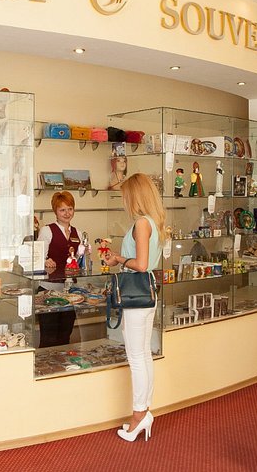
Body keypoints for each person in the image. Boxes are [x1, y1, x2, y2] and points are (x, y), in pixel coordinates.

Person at [102, 173, 164, 442]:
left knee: (136, 357)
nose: (123, 200)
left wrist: (119, 259)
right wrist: (120, 257)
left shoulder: (141, 223)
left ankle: (138, 415)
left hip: (136, 294)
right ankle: (144, 410)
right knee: (144, 355)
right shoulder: (153, 222)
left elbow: (140, 264)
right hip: (147, 292)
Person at [34, 190, 82, 347]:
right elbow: (37, 257)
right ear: (55, 211)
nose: (67, 213)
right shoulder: (47, 230)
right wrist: (45, 261)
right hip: (48, 289)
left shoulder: (77, 232)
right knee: (48, 336)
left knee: (65, 335)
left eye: (70, 209)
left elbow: (78, 260)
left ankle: (63, 360)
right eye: (62, 210)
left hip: (70, 292)